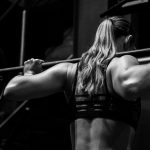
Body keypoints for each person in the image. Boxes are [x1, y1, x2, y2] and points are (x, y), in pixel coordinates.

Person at [3, 16, 149, 150]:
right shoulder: (122, 61)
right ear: (129, 40)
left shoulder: (69, 71)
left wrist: (28, 73)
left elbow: (12, 89)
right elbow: (130, 84)